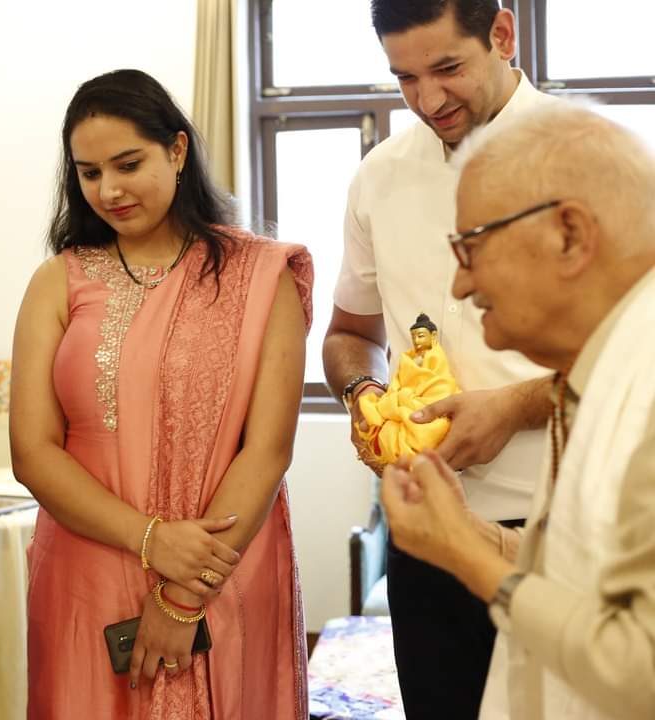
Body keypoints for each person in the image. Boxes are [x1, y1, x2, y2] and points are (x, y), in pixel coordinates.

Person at [11, 68, 314, 719]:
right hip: (87, 563)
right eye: (89, 173)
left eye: (128, 163)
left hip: (221, 562)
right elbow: (33, 452)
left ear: (177, 150)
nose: (109, 190)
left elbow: (267, 451)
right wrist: (150, 538)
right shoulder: (58, 282)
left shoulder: (262, 275)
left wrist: (184, 592)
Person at [382, 103, 655, 720]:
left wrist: (468, 559)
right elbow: (588, 582)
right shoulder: (597, 374)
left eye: (471, 246)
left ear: (569, 234)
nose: (458, 286)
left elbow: (642, 667)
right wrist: (469, 533)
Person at [321, 3, 556, 716]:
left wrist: (513, 406)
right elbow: (347, 332)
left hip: (557, 526)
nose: (427, 100)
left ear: (502, 34)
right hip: (423, 528)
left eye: (447, 68)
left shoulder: (591, 160)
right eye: (405, 78)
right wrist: (363, 392)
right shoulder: (379, 178)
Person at [358, 314, 459, 465]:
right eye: (414, 337)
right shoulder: (408, 359)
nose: (417, 341)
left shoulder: (435, 358)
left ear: (433, 336)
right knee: (388, 431)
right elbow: (399, 382)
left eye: (421, 336)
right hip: (405, 403)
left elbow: (440, 383)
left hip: (431, 398)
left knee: (434, 422)